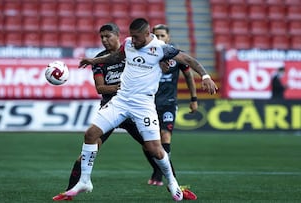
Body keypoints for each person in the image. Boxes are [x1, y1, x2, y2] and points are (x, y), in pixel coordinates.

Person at [55, 18, 217, 202]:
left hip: (143, 105)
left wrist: (205, 76)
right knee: (90, 135)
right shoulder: (129, 43)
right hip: (120, 101)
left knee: (155, 149)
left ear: (148, 34)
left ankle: (173, 183)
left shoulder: (161, 49)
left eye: (137, 37)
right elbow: (116, 57)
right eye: (131, 36)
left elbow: (188, 60)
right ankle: (83, 182)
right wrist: (94, 60)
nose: (134, 40)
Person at [145, 24, 198, 187]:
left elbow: (189, 76)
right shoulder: (147, 54)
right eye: (157, 36)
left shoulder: (176, 55)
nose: (160, 39)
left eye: (162, 36)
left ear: (168, 38)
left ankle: (160, 174)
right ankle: (157, 169)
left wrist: (194, 98)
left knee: (165, 136)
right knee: (147, 145)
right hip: (148, 104)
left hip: (168, 104)